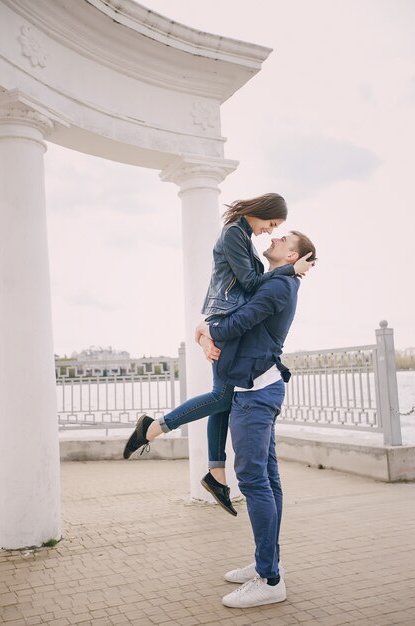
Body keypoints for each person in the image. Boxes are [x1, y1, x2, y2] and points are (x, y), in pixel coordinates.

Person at [123, 193, 313, 513]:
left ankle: (215, 473)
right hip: (225, 323)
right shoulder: (233, 235)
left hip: (224, 322)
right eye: (272, 223)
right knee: (221, 398)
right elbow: (251, 282)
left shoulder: (242, 236)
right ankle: (153, 428)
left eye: (277, 228)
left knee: (222, 400)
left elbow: (244, 288)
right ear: (264, 213)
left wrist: (205, 326)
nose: (270, 230)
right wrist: (289, 272)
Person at [196, 230, 317, 608]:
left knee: (254, 481)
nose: (275, 238)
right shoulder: (280, 281)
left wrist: (204, 331)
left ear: (293, 255)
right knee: (267, 479)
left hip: (255, 394)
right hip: (260, 388)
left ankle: (269, 578)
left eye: (284, 238)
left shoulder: (279, 287)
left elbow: (237, 323)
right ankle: (267, 562)